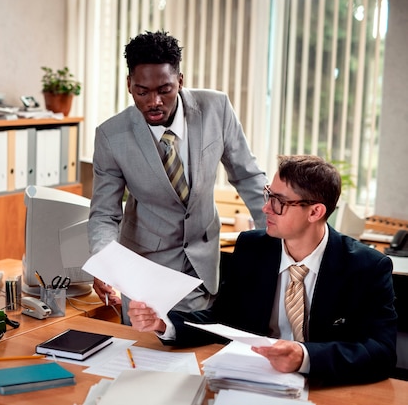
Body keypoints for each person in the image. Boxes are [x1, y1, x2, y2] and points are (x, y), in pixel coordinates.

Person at [128, 155, 397, 385]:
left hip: (324, 385)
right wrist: (165, 323)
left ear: (315, 212)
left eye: (279, 201)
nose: (266, 207)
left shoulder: (366, 267)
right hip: (252, 381)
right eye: (269, 194)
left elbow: (381, 351)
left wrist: (304, 356)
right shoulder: (252, 248)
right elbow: (222, 319)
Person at [88, 30, 267, 323]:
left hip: (203, 266)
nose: (154, 101)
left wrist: (279, 239)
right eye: (142, 91)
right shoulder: (111, 136)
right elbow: (105, 214)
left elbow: (247, 177)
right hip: (145, 270)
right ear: (129, 85)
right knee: (142, 357)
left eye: (165, 90)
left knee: (198, 355)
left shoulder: (216, 109)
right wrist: (107, 264)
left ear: (180, 81)